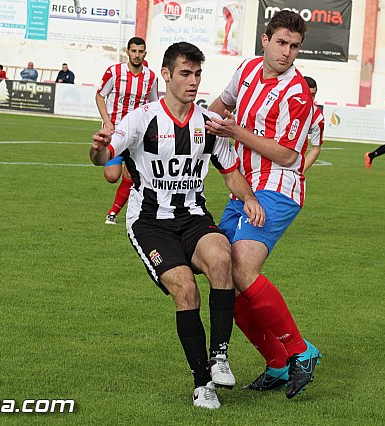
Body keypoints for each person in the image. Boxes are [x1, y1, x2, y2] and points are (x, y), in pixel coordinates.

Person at [90, 42, 265, 410]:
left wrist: (248, 197)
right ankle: (202, 384)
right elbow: (106, 162)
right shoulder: (141, 119)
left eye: (197, 74)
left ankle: (219, 357)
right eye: (185, 73)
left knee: (222, 259)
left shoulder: (207, 124)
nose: (193, 81)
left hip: (193, 217)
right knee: (185, 290)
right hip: (151, 223)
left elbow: (231, 172)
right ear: (166, 75)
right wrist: (100, 148)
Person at [206, 10, 321, 399]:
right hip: (242, 185)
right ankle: (275, 361)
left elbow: (288, 155)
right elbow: (220, 105)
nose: (288, 52)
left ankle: (301, 351)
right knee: (220, 272)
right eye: (282, 43)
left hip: (279, 187)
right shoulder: (248, 69)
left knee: (241, 264)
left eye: (295, 46)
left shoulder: (298, 92)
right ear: (265, 40)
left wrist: (235, 130)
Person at [96, 37, 158, 225]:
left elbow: (154, 104)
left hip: (138, 136)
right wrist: (107, 121)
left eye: (140, 51)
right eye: (134, 51)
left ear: (145, 53)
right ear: (128, 52)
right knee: (112, 176)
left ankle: (113, 213)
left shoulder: (151, 77)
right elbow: (100, 95)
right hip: (115, 132)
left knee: (131, 174)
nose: (137, 55)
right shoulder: (114, 72)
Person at [303, 76, 324, 171]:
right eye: (307, 93)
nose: (310, 98)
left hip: (292, 166)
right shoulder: (281, 104)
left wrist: (300, 171)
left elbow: (316, 148)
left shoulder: (318, 117)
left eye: (313, 95)